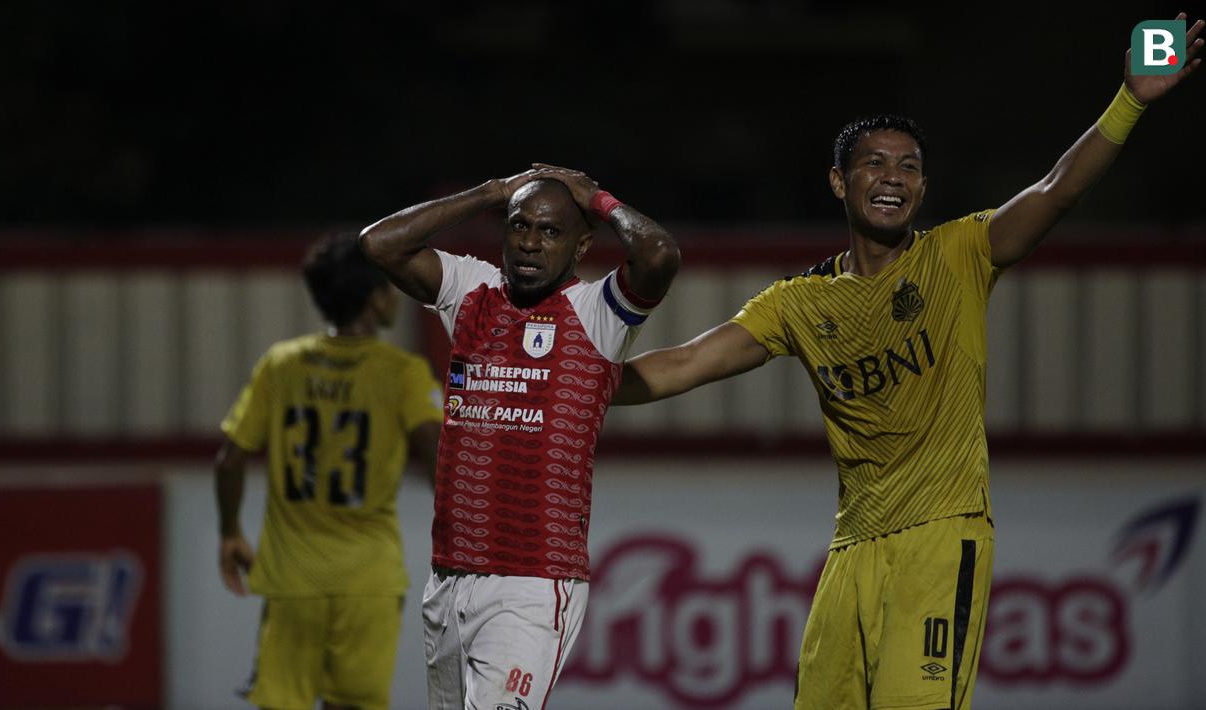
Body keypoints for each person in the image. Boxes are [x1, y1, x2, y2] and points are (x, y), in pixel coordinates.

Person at [614, 16, 1202, 710]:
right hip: (851, 550)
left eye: (909, 167)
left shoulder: (957, 254)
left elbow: (1055, 191)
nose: (893, 177)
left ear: (921, 191)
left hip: (941, 535)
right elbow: (682, 364)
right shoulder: (799, 303)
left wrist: (1128, 99)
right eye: (875, 163)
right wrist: (572, 383)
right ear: (838, 181)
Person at [359, 164, 679, 709]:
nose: (530, 242)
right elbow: (379, 245)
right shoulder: (472, 291)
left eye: (550, 231)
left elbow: (659, 255)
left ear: (581, 246)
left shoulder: (598, 312)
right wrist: (492, 192)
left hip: (531, 582)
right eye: (519, 225)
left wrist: (597, 199)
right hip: (449, 577)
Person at [214, 231, 443, 710]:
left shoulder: (282, 365)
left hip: (292, 580)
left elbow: (231, 458)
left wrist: (231, 531)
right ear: (375, 299)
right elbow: (442, 461)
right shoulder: (401, 373)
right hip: (368, 579)